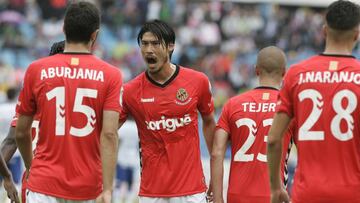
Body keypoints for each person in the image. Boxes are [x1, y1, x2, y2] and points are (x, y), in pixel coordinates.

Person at [15, 1, 122, 203]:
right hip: (88, 187)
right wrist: (107, 189)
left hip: (43, 184)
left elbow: (21, 132)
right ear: (95, 35)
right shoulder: (112, 75)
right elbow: (109, 134)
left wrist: (32, 168)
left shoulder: (36, 70)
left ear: (64, 29)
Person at [267, 1, 360, 203]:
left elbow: (274, 139)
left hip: (307, 193)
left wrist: (276, 188)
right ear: (357, 34)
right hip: (353, 193)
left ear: (324, 31)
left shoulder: (296, 74)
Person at [119, 19, 216, 203]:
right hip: (151, 192)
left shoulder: (197, 81)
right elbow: (107, 129)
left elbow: (210, 123)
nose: (148, 50)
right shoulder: (130, 91)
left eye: (155, 43)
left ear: (171, 46)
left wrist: (215, 173)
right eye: (144, 44)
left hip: (192, 190)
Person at [211, 46, 293, 203]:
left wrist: (218, 198)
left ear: (256, 70)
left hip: (237, 196)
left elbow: (216, 152)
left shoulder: (232, 104)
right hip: (273, 196)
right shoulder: (289, 106)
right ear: (284, 72)